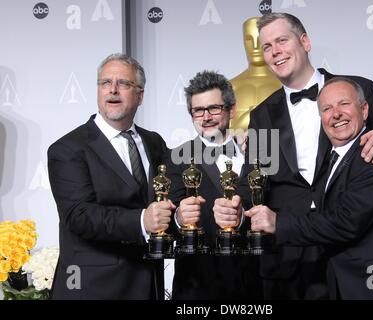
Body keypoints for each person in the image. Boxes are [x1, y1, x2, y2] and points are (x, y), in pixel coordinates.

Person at [213, 12, 373, 299]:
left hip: (357, 253)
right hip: (290, 259)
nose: (275, 52)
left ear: (305, 42)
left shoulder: (357, 89)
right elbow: (255, 178)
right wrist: (236, 207)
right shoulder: (261, 115)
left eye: (282, 40)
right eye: (267, 47)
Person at [245, 77, 373, 299]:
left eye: (344, 104)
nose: (335, 114)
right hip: (347, 282)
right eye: (327, 108)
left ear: (365, 109)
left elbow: (347, 221)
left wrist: (279, 223)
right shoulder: (333, 161)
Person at [47, 53, 174, 299]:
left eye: (123, 83)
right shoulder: (67, 148)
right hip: (94, 288)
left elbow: (178, 181)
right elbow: (79, 215)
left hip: (149, 284)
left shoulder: (154, 142)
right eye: (105, 83)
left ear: (140, 95)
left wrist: (230, 144)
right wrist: (141, 221)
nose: (113, 90)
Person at [164, 70, 262, 299]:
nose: (206, 117)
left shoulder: (259, 154)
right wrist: (179, 217)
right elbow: (164, 223)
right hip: (198, 288)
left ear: (232, 109)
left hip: (256, 287)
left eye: (214, 108)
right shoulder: (175, 158)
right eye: (198, 110)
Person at [229, 16, 281, 131]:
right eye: (249, 40)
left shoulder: (286, 84)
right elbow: (220, 133)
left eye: (259, 39)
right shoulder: (230, 87)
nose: (255, 46)